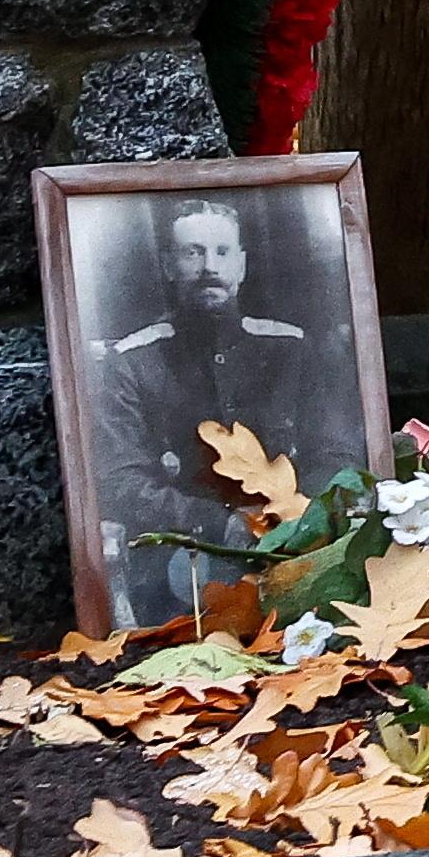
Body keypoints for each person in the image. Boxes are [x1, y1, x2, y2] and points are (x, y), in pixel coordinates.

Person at [87, 195, 357, 625]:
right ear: (169, 267)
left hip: (298, 546)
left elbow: (336, 453)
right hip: (181, 563)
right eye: (192, 253)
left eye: (222, 252)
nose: (209, 266)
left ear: (242, 266)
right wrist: (220, 524)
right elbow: (120, 481)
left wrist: (293, 518)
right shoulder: (134, 361)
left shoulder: (290, 349)